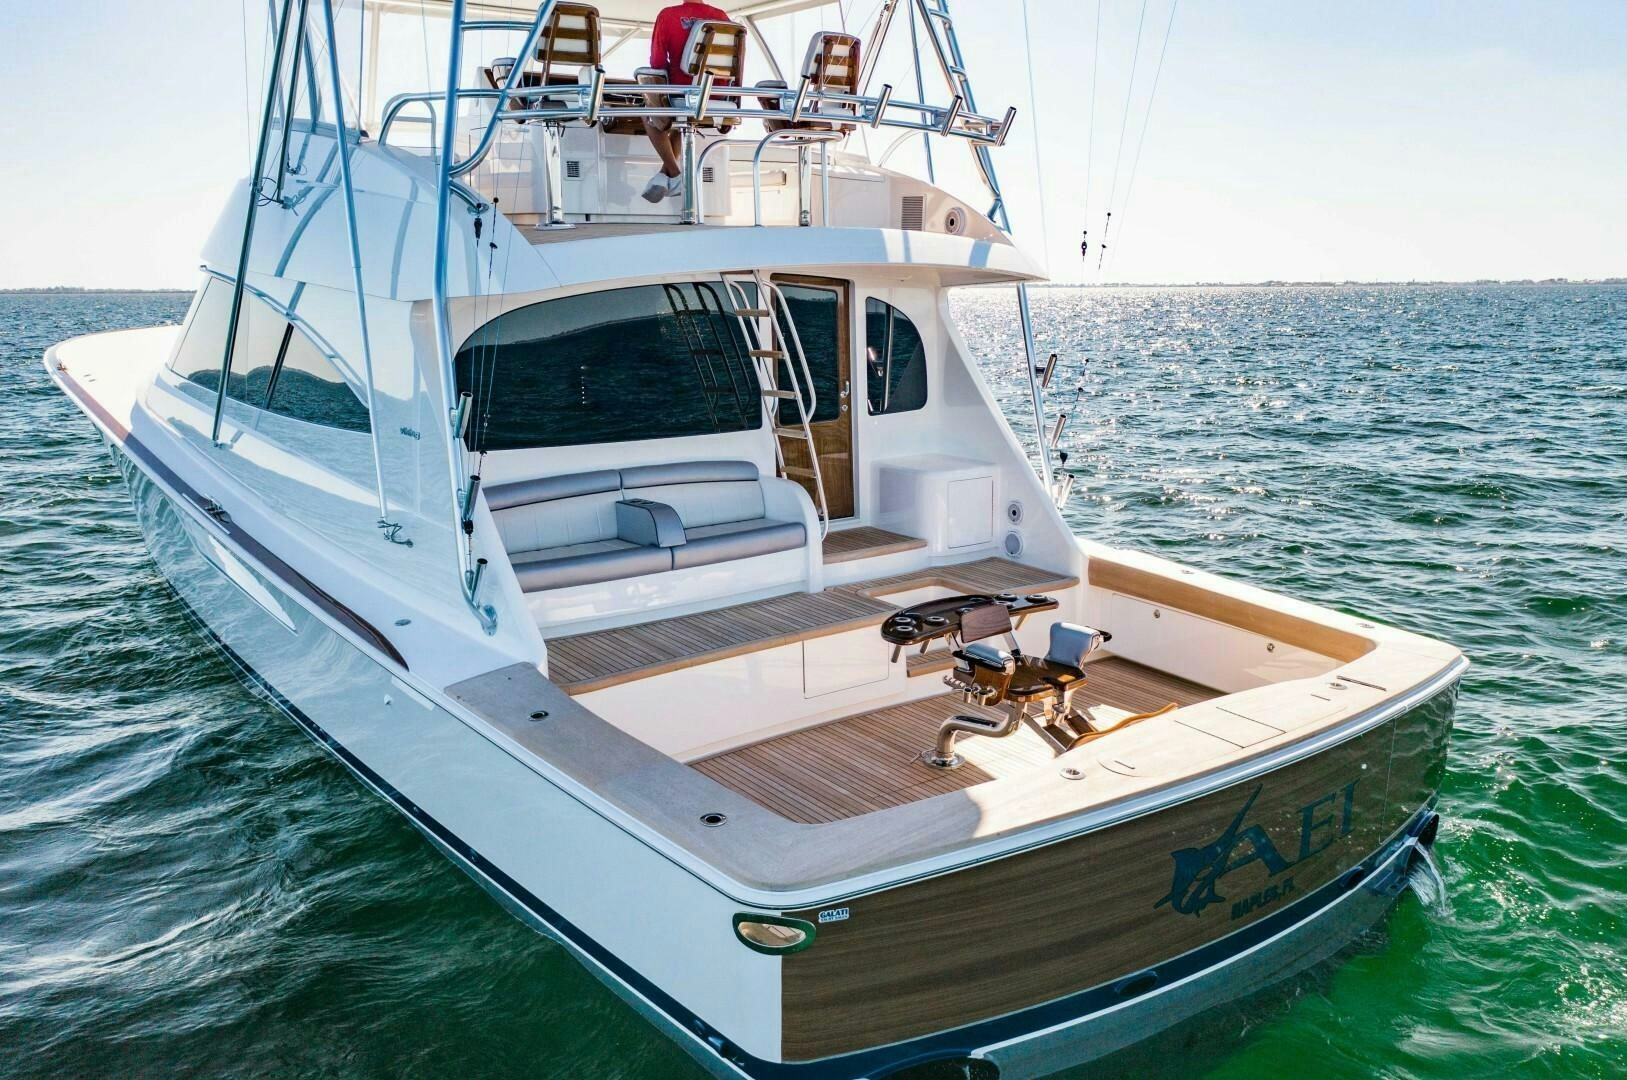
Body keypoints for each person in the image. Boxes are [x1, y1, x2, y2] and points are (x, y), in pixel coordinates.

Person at [641, 1, 730, 203]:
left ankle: (674, 174)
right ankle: (665, 176)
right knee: (681, 121)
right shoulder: (722, 17)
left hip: (683, 94)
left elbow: (657, 63)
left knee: (648, 113)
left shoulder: (668, 15)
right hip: (718, 97)